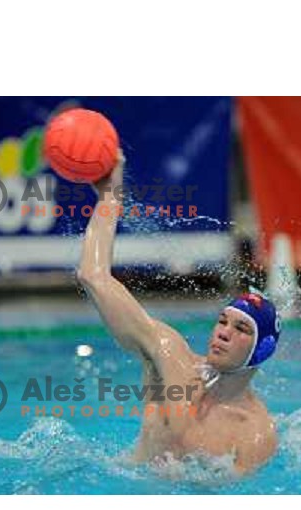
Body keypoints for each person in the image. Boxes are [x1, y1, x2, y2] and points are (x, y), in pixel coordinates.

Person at [76, 152, 280, 474]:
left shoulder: (255, 434)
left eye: (242, 329)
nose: (223, 331)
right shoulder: (168, 356)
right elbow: (93, 276)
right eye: (223, 321)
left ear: (263, 349)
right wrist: (109, 195)